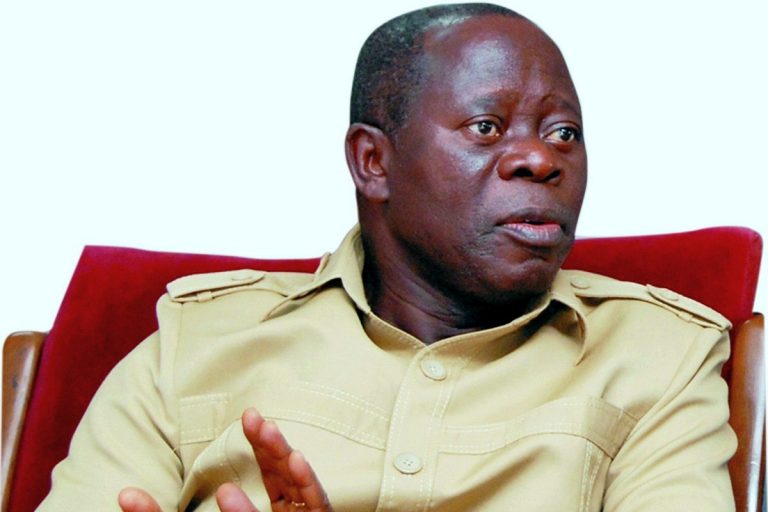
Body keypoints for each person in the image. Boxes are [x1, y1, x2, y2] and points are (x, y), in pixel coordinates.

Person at [38, 3, 736, 511]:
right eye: (487, 126)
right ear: (373, 161)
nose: (539, 158)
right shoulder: (195, 343)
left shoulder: (661, 359)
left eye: (563, 133)